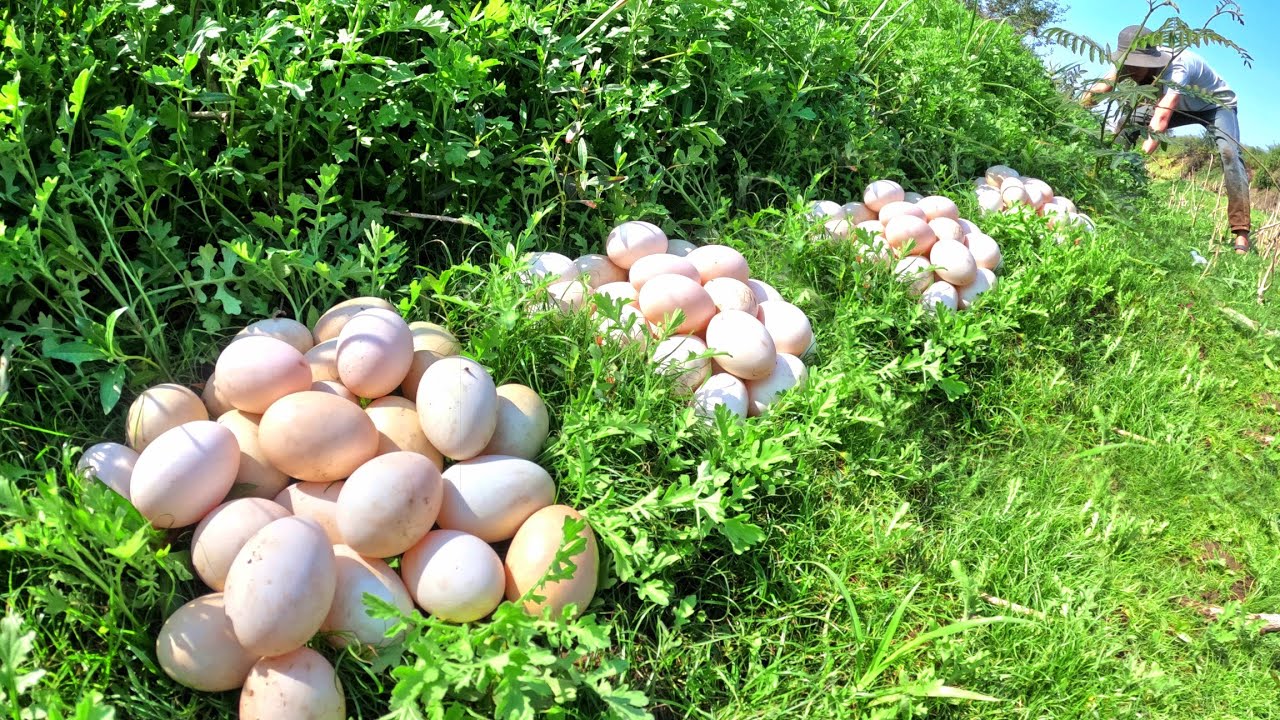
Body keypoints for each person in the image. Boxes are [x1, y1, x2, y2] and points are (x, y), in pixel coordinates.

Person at [1081, 25, 1252, 254]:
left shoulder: (1177, 66)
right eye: (1127, 64)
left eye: (1135, 65)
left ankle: (1241, 233)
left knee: (1229, 153)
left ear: (1149, 61)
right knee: (1126, 124)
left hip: (1216, 105)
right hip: (1178, 103)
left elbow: (1160, 119)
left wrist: (1137, 162)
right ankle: (1106, 183)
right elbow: (1101, 88)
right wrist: (1074, 111)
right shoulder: (1127, 59)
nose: (1130, 70)